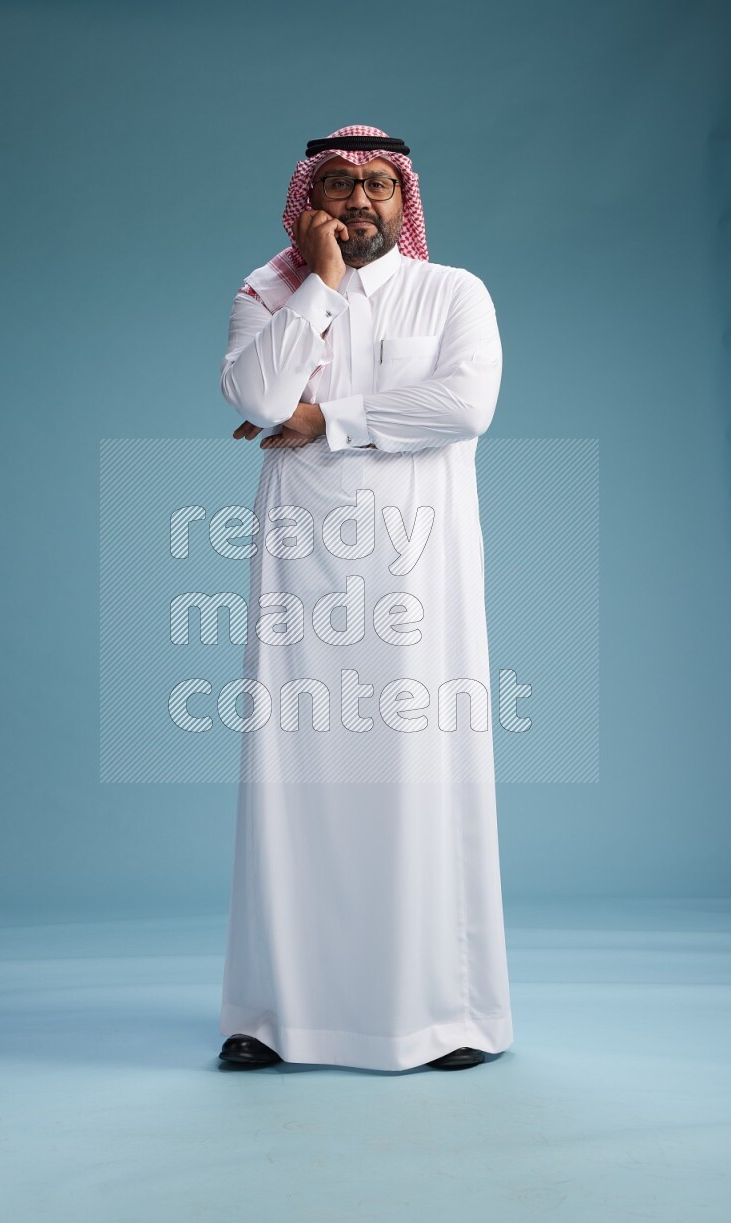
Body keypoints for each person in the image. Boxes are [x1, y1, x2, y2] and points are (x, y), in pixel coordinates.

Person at [217, 124, 514, 1072]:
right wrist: (320, 286)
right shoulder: (266, 292)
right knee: (291, 778)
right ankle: (272, 1013)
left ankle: (441, 1014)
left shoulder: (452, 292)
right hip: (302, 568)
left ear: (403, 199)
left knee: (417, 777)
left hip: (418, 574)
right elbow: (259, 399)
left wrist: (329, 421)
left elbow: (463, 405)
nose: (358, 200)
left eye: (378, 184)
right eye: (338, 183)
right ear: (308, 200)